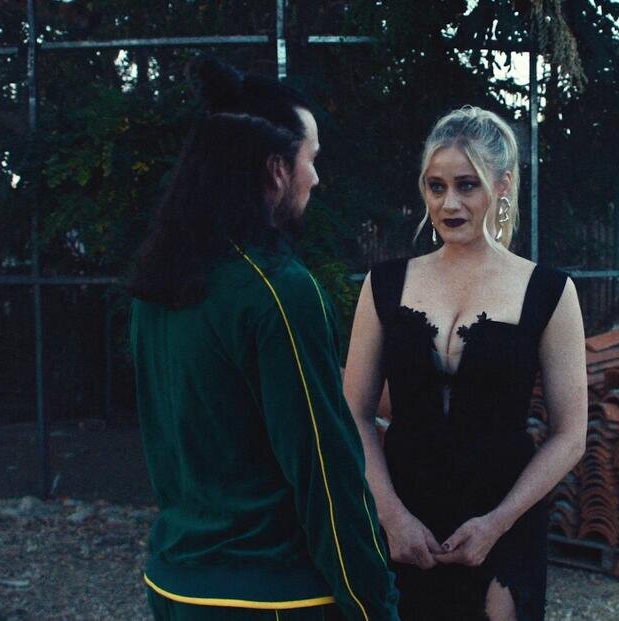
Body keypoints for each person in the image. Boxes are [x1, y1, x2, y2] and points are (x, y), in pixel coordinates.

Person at [128, 57, 399, 621]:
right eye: (311, 159)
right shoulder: (278, 290)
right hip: (271, 597)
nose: (316, 178)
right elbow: (324, 467)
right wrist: (374, 606)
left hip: (176, 585)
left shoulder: (157, 284)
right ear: (277, 169)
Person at [343, 106, 587, 620]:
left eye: (466, 185)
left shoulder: (549, 291)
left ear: (502, 185)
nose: (448, 203)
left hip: (504, 515)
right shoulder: (383, 284)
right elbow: (354, 413)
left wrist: (498, 522)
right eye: (436, 187)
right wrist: (390, 515)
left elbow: (571, 435)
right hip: (404, 515)